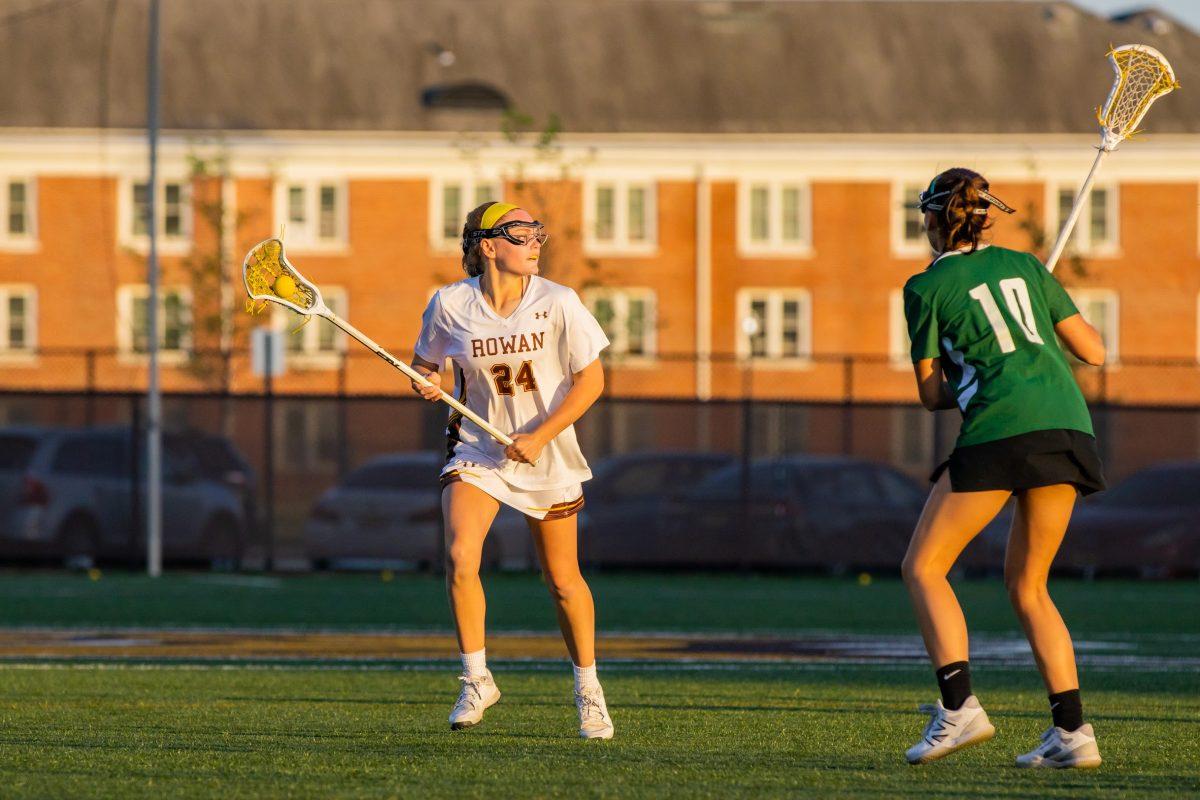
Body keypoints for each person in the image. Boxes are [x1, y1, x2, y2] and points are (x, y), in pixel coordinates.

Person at [900, 168, 1107, 768]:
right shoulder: (1030, 267)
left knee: (924, 567)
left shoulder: (924, 287)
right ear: (986, 217)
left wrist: (971, 367)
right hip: (1067, 428)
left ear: (935, 221)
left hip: (1000, 428)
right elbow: (1093, 351)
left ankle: (958, 707)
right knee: (1029, 586)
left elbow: (933, 395)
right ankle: (1072, 732)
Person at [409, 200, 614, 739]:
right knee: (459, 555)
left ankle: (588, 690)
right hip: (479, 450)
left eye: (537, 233)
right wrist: (424, 380)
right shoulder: (451, 304)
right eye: (522, 234)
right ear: (488, 245)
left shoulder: (559, 302)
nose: (535, 243)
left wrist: (540, 436)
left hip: (546, 455)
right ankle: (477, 679)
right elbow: (427, 363)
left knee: (564, 582)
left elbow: (591, 381)